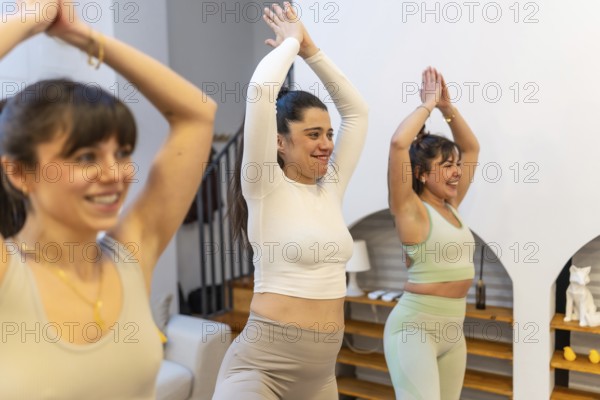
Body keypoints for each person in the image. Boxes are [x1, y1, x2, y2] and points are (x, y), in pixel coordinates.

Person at [0, 1, 216, 398]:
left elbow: (198, 114)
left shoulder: (132, 256)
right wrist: (29, 21)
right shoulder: (8, 273)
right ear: (19, 173)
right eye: (85, 157)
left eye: (121, 152)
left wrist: (84, 37)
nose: (116, 174)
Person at [214, 2, 368, 399]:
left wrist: (312, 51)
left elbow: (358, 113)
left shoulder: (330, 187)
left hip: (319, 378)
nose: (327, 144)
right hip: (260, 370)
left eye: (329, 134)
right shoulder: (264, 186)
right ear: (280, 142)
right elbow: (261, 91)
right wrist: (290, 44)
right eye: (314, 134)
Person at [384, 66, 480, 400]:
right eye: (447, 166)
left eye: (456, 165)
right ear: (422, 174)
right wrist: (427, 104)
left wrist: (447, 109)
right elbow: (398, 144)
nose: (457, 172)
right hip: (414, 330)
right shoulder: (411, 210)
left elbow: (472, 149)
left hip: (454, 331)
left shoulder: (450, 206)